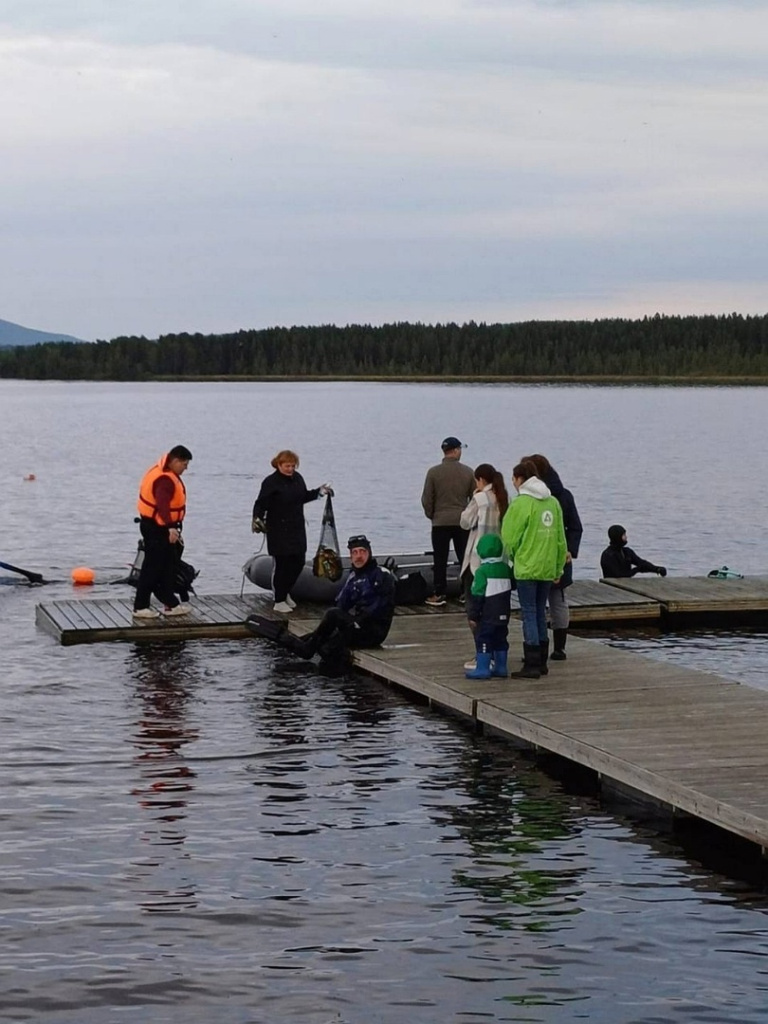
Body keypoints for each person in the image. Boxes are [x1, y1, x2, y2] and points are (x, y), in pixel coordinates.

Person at [247, 535, 396, 674]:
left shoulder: (381, 575)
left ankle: (307, 650)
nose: (359, 556)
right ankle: (305, 649)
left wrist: (353, 622)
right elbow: (341, 604)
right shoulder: (354, 578)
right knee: (323, 643)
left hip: (374, 631)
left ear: (369, 553)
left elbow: (380, 608)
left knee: (332, 616)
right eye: (355, 553)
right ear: (351, 556)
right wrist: (323, 632)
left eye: (362, 552)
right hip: (357, 627)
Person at [501, 459, 567, 679]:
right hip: (548, 567)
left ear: (520, 479)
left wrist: (512, 557)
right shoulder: (553, 503)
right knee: (540, 610)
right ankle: (543, 661)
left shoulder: (521, 503)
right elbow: (561, 539)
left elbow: (509, 538)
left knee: (528, 611)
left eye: (513, 478)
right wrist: (558, 568)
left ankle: (531, 663)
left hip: (528, 566)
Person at [251, 449, 331, 614]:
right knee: (282, 565)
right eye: (287, 466)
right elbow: (260, 503)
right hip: (278, 529)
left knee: (298, 562)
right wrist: (256, 519)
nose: (290, 469)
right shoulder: (270, 482)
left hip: (296, 528)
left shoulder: (298, 479)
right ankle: (278, 599)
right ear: (279, 464)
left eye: (293, 466)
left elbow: (303, 497)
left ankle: (286, 592)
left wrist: (320, 492)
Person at [526, 454, 583, 661]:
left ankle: (541, 648)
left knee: (538, 604)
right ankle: (559, 648)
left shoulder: (530, 499)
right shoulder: (564, 495)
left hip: (539, 557)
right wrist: (570, 550)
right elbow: (576, 527)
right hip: (561, 555)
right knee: (558, 602)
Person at [133, 445, 193, 619]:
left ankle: (171, 604)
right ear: (175, 461)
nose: (185, 468)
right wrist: (170, 527)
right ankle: (140, 606)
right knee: (152, 567)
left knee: (168, 566)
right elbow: (162, 505)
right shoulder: (165, 480)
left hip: (160, 527)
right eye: (184, 464)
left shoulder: (163, 472)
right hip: (157, 528)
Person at [459, 463, 509, 670]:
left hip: (477, 562)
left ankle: (481, 653)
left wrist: (474, 496)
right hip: (499, 562)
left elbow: (464, 521)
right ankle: (498, 656)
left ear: (480, 480)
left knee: (474, 612)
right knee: (495, 612)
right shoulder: (504, 498)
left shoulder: (480, 499)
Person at [421, 437, 475, 607]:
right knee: (465, 558)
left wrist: (433, 515)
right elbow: (475, 498)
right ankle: (466, 592)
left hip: (440, 522)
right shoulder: (468, 472)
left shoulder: (433, 472)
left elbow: (426, 499)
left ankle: (439, 593)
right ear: (457, 451)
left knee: (440, 559)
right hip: (462, 522)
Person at [464, 533, 513, 679]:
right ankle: (501, 667)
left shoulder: (482, 572)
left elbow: (477, 594)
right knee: (501, 638)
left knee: (484, 638)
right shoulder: (505, 569)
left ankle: (483, 668)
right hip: (504, 612)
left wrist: (473, 615)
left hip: (488, 614)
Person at [600, 526, 667, 579]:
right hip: (611, 586)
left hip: (625, 585)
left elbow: (641, 563)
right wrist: (636, 570)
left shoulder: (626, 552)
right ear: (617, 537)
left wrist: (657, 569)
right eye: (623, 535)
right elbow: (618, 575)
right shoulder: (608, 555)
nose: (626, 537)